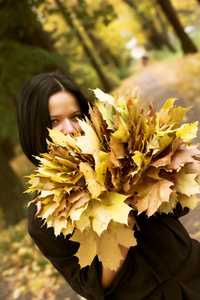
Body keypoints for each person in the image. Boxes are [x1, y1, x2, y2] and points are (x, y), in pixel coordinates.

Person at [17, 72, 200, 300]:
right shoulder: (44, 211)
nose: (69, 128)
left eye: (75, 116)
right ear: (33, 127)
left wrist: (165, 171)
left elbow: (179, 208)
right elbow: (92, 286)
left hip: (193, 269)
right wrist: (121, 221)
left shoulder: (120, 151)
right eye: (54, 121)